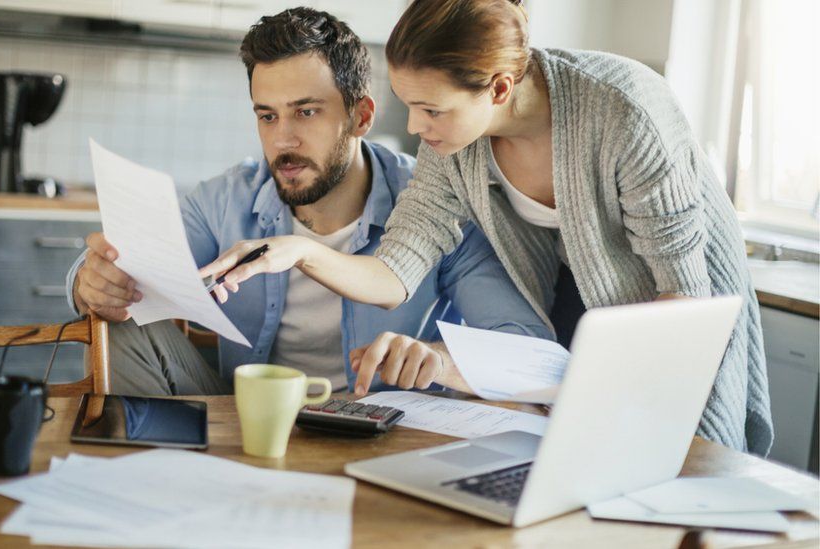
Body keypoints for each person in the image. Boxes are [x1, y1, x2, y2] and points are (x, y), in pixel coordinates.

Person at [199, 0, 772, 455]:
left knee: (680, 468)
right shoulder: (454, 145)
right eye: (409, 106)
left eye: (432, 109)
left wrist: (611, 387)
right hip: (581, 303)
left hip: (675, 306)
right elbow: (396, 269)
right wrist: (301, 252)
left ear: (498, 88)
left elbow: (682, 296)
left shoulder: (624, 111)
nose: (417, 128)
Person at [67, 7, 550, 398]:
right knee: (119, 326)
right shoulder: (223, 199)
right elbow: (130, 276)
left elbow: (527, 349)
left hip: (383, 432)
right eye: (267, 116)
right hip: (247, 422)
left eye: (307, 112)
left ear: (361, 116)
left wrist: (438, 358)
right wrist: (91, 283)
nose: (283, 140)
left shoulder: (436, 205)